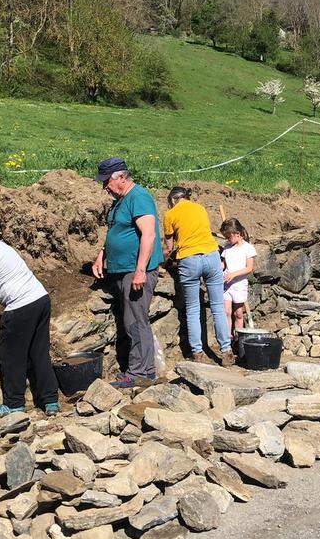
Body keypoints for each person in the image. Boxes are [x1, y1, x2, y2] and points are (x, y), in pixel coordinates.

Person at [0, 212, 60, 418]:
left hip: (21, 306)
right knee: (39, 352)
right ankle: (51, 401)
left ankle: (14, 405)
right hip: (40, 298)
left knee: (11, 356)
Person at [92, 158, 163, 387]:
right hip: (124, 269)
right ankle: (140, 369)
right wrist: (102, 253)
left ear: (121, 177)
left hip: (135, 270)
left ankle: (141, 372)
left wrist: (141, 270)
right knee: (131, 318)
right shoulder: (120, 201)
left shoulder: (139, 198)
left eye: (107, 182)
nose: (104, 187)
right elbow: (117, 230)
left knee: (135, 320)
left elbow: (148, 235)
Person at [162, 188, 235, 366]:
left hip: (189, 260)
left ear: (173, 199)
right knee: (218, 306)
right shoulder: (200, 208)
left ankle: (197, 353)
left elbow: (168, 248)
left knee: (193, 308)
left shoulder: (170, 214)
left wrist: (162, 265)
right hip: (211, 256)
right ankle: (226, 352)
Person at [221, 218, 257, 342]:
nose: (227, 239)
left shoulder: (248, 248)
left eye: (228, 237)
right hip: (226, 284)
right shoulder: (227, 247)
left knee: (238, 313)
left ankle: (239, 338)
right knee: (226, 311)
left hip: (239, 284)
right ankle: (227, 338)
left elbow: (249, 268)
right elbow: (223, 265)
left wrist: (234, 274)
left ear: (237, 234)